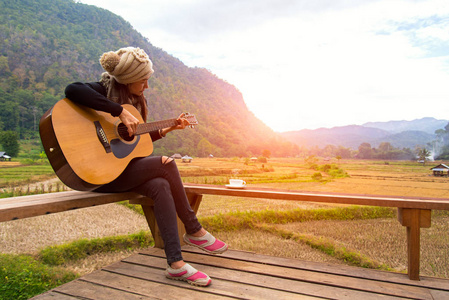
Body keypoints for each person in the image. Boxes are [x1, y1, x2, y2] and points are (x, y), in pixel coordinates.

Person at [64, 47, 228, 287]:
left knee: (161, 184)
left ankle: (175, 264)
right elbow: (72, 90)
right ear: (128, 79)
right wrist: (118, 111)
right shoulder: (103, 90)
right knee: (167, 163)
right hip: (98, 174)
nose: (147, 86)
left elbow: (136, 144)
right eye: (143, 80)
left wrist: (169, 129)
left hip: (120, 170)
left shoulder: (135, 103)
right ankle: (193, 230)